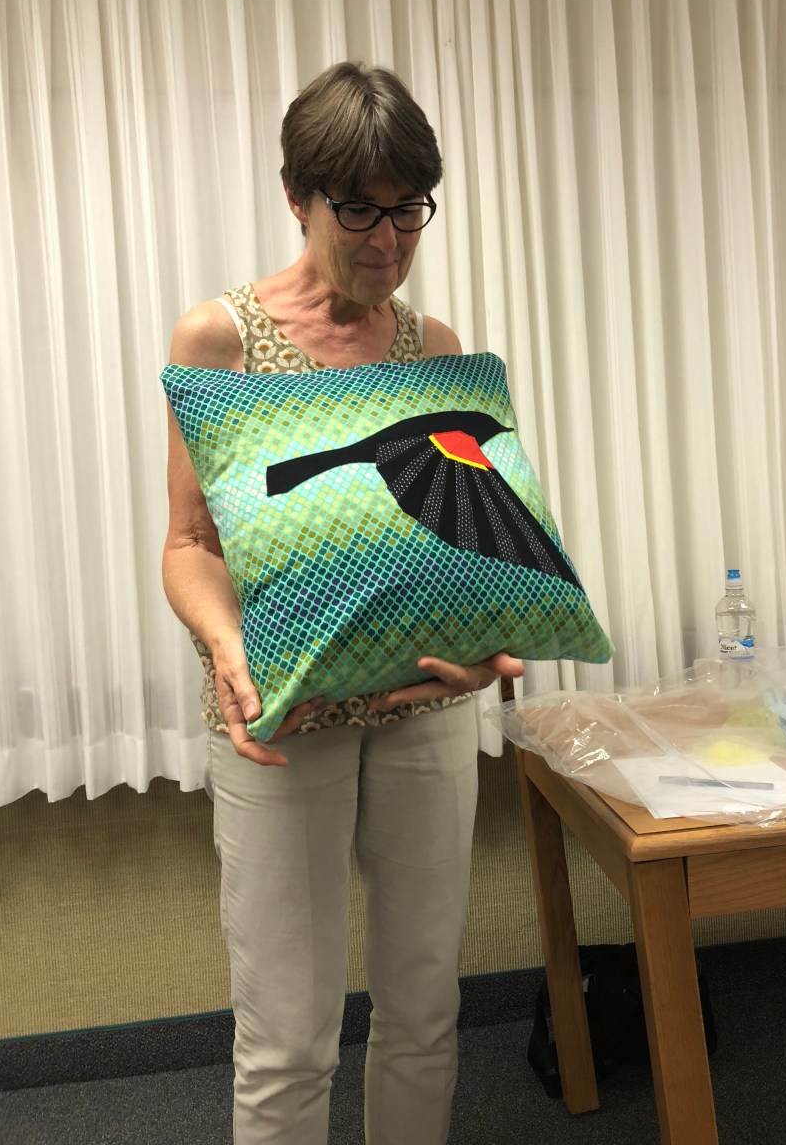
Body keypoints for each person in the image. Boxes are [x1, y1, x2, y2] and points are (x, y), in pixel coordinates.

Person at [162, 60, 524, 1145]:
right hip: (281, 715)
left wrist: (493, 639)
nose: (387, 241)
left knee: (425, 1007)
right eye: (358, 210)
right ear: (297, 198)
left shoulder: (435, 349)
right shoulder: (222, 340)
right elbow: (188, 545)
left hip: (423, 708)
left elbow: (477, 548)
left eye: (409, 210)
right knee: (287, 1039)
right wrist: (226, 645)